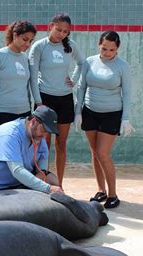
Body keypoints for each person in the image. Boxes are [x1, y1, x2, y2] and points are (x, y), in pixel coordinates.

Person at [74, 30, 133, 209]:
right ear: (99, 45)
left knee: (103, 153)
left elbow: (128, 93)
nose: (107, 53)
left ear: (117, 49)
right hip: (90, 112)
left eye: (111, 50)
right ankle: (101, 190)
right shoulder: (89, 62)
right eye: (104, 48)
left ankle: (113, 195)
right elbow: (81, 87)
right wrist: (78, 112)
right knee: (94, 153)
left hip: (112, 114)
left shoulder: (123, 66)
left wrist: (126, 118)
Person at [29, 13, 85, 188]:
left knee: (61, 143)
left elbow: (82, 63)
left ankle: (59, 184)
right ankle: (43, 182)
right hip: (45, 99)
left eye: (65, 32)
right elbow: (32, 76)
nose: (61, 34)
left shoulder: (70, 46)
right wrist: (38, 102)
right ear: (50, 26)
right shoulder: (39, 47)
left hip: (65, 99)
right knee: (44, 143)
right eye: (59, 29)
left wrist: (73, 80)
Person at [0, 105, 63, 194]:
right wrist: (48, 188)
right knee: (49, 188)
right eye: (44, 130)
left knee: (54, 181)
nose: (45, 135)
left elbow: (42, 160)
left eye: (48, 132)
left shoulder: (38, 135)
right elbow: (17, 171)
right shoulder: (9, 134)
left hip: (20, 182)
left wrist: (43, 173)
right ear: (33, 122)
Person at [0, 20, 37, 129]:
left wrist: (30, 111)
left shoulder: (25, 58)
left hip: (24, 113)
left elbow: (27, 87)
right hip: (4, 113)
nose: (28, 44)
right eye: (25, 39)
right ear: (15, 35)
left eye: (30, 41)